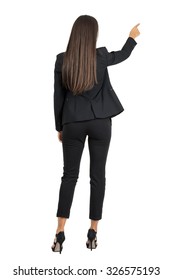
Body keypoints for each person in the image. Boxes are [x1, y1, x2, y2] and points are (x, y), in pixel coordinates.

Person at [51, 15, 140, 253]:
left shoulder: (62, 60)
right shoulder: (100, 56)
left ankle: (59, 232)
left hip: (72, 123)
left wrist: (60, 127)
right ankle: (93, 232)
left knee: (69, 176)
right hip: (100, 122)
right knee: (97, 176)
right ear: (93, 35)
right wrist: (132, 37)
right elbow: (123, 54)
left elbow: (57, 97)